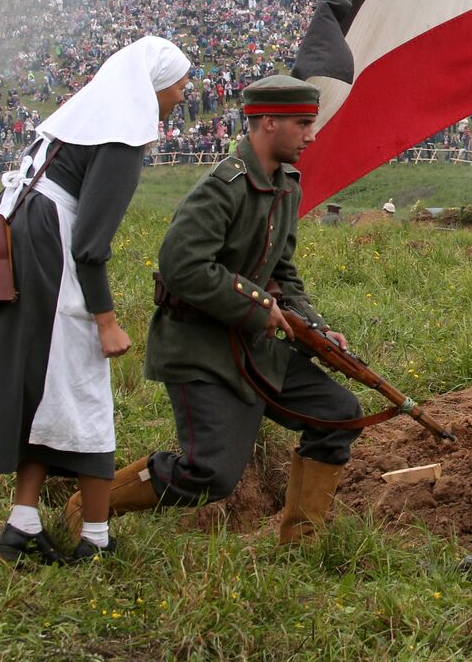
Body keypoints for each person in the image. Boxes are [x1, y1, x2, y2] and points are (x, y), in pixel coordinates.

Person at [62, 75, 363, 549]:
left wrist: (317, 328)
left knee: (338, 414)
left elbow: (281, 271)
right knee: (211, 476)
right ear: (268, 122)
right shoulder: (221, 187)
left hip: (255, 347)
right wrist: (258, 305)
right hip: (200, 349)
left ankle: (302, 546)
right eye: (303, 124)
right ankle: (88, 507)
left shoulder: (288, 186)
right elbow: (181, 266)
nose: (311, 134)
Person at [0, 36, 192, 565]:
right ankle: (95, 537)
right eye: (179, 85)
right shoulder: (121, 136)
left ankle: (22, 523)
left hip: (23, 243)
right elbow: (91, 246)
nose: (183, 95)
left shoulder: (72, 122)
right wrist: (107, 321)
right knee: (81, 387)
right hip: (53, 259)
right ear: (151, 87)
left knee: (42, 387)